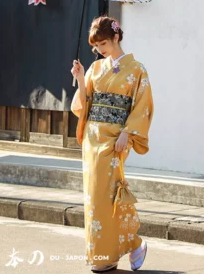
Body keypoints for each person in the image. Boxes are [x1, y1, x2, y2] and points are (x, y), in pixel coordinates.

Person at [71, 16, 154, 273]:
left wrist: (128, 133)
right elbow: (83, 104)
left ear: (116, 37)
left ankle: (132, 244)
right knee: (94, 198)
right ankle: (105, 255)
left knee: (110, 197)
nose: (100, 50)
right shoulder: (95, 69)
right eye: (96, 46)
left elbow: (143, 106)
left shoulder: (137, 70)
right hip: (93, 138)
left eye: (104, 43)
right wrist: (81, 76)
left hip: (116, 139)